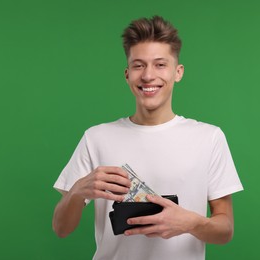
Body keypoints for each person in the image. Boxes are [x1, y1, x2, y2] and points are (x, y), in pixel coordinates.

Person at [52, 15, 243, 260]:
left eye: (160, 64)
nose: (148, 76)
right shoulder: (96, 138)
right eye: (138, 65)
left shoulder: (209, 137)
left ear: (178, 72)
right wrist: (77, 190)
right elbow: (61, 228)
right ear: (127, 74)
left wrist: (190, 223)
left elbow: (225, 231)